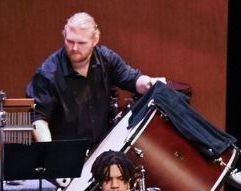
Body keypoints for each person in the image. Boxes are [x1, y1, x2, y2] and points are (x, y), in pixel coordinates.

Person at [27, 12, 165, 144]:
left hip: (100, 147)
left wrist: (150, 83)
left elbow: (132, 79)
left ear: (95, 40)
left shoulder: (107, 59)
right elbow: (39, 119)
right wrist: (53, 154)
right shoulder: (47, 73)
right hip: (66, 150)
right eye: (70, 41)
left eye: (81, 43)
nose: (74, 48)